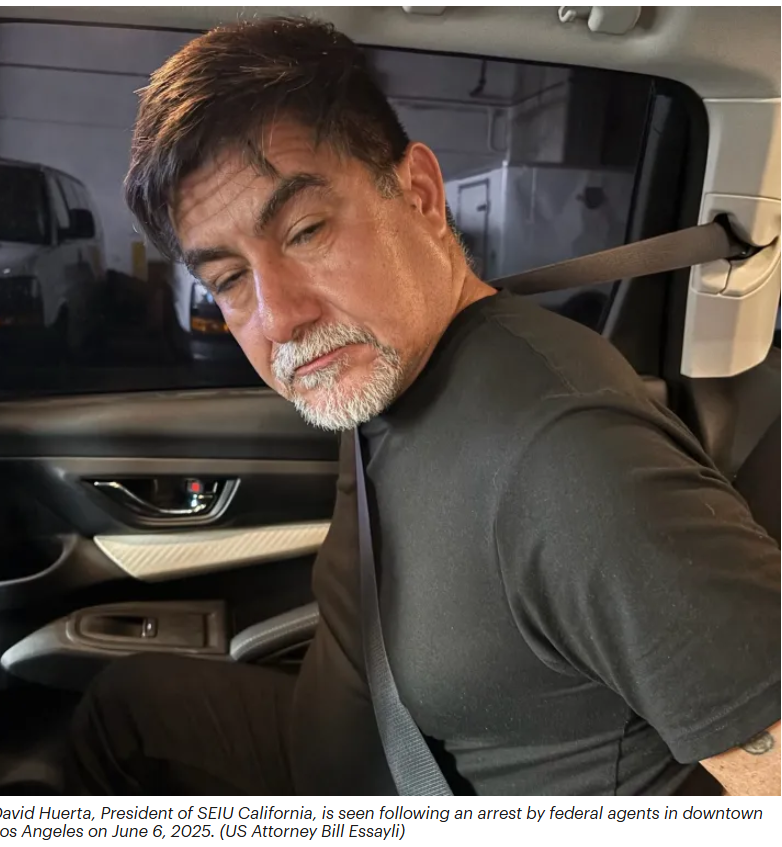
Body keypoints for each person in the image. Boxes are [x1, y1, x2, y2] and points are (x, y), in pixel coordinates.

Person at [67, 17, 780, 796]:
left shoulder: (570, 457)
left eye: (305, 231)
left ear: (419, 194)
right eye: (231, 280)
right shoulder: (391, 364)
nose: (279, 317)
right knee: (124, 709)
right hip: (350, 749)